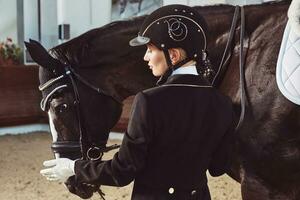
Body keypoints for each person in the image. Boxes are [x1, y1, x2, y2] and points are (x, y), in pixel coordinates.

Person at [40, 4, 235, 200]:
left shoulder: (149, 101)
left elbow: (121, 172)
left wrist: (73, 167)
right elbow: (218, 167)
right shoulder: (223, 104)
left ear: (173, 55)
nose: (146, 57)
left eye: (150, 50)